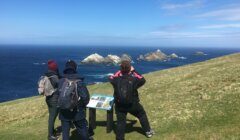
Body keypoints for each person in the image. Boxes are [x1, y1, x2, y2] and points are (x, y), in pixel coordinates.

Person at [109, 60, 154, 140]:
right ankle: (148, 132)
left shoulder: (115, 80)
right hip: (133, 104)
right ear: (130, 69)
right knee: (141, 114)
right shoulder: (134, 80)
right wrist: (133, 71)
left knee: (120, 122)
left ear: (121, 69)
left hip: (120, 105)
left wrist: (121, 70)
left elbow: (111, 77)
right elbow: (142, 79)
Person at [58, 60, 90, 140]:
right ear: (75, 68)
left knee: (65, 132)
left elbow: (58, 95)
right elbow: (85, 97)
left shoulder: (61, 81)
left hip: (64, 110)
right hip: (77, 111)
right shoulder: (79, 81)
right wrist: (81, 106)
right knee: (82, 129)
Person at [45, 60, 61, 140]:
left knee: (52, 116)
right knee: (52, 117)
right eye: (56, 67)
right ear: (54, 68)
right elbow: (60, 84)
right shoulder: (54, 77)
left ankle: (52, 131)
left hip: (48, 98)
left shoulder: (47, 74)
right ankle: (50, 136)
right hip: (54, 99)